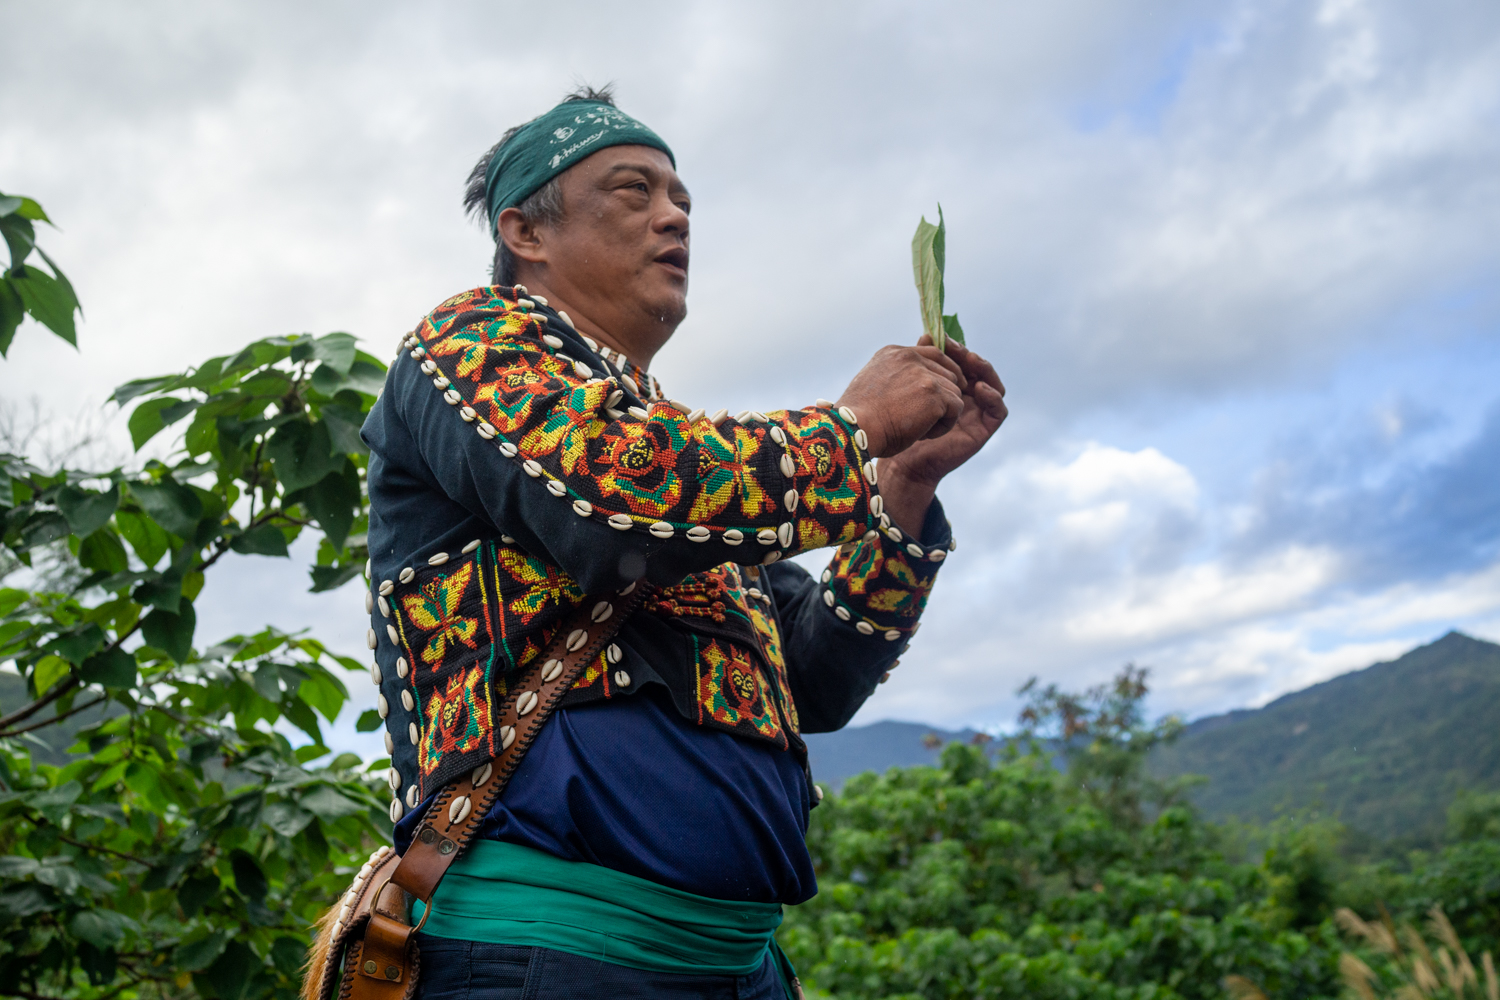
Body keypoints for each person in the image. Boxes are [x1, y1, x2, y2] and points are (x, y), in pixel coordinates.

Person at [360, 85, 1007, 999]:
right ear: (525, 233)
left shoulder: (699, 469)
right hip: (548, 960)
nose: (675, 215)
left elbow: (813, 683)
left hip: (740, 969)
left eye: (684, 200)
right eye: (634, 190)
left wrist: (901, 487)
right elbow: (609, 497)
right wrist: (856, 426)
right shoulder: (468, 342)